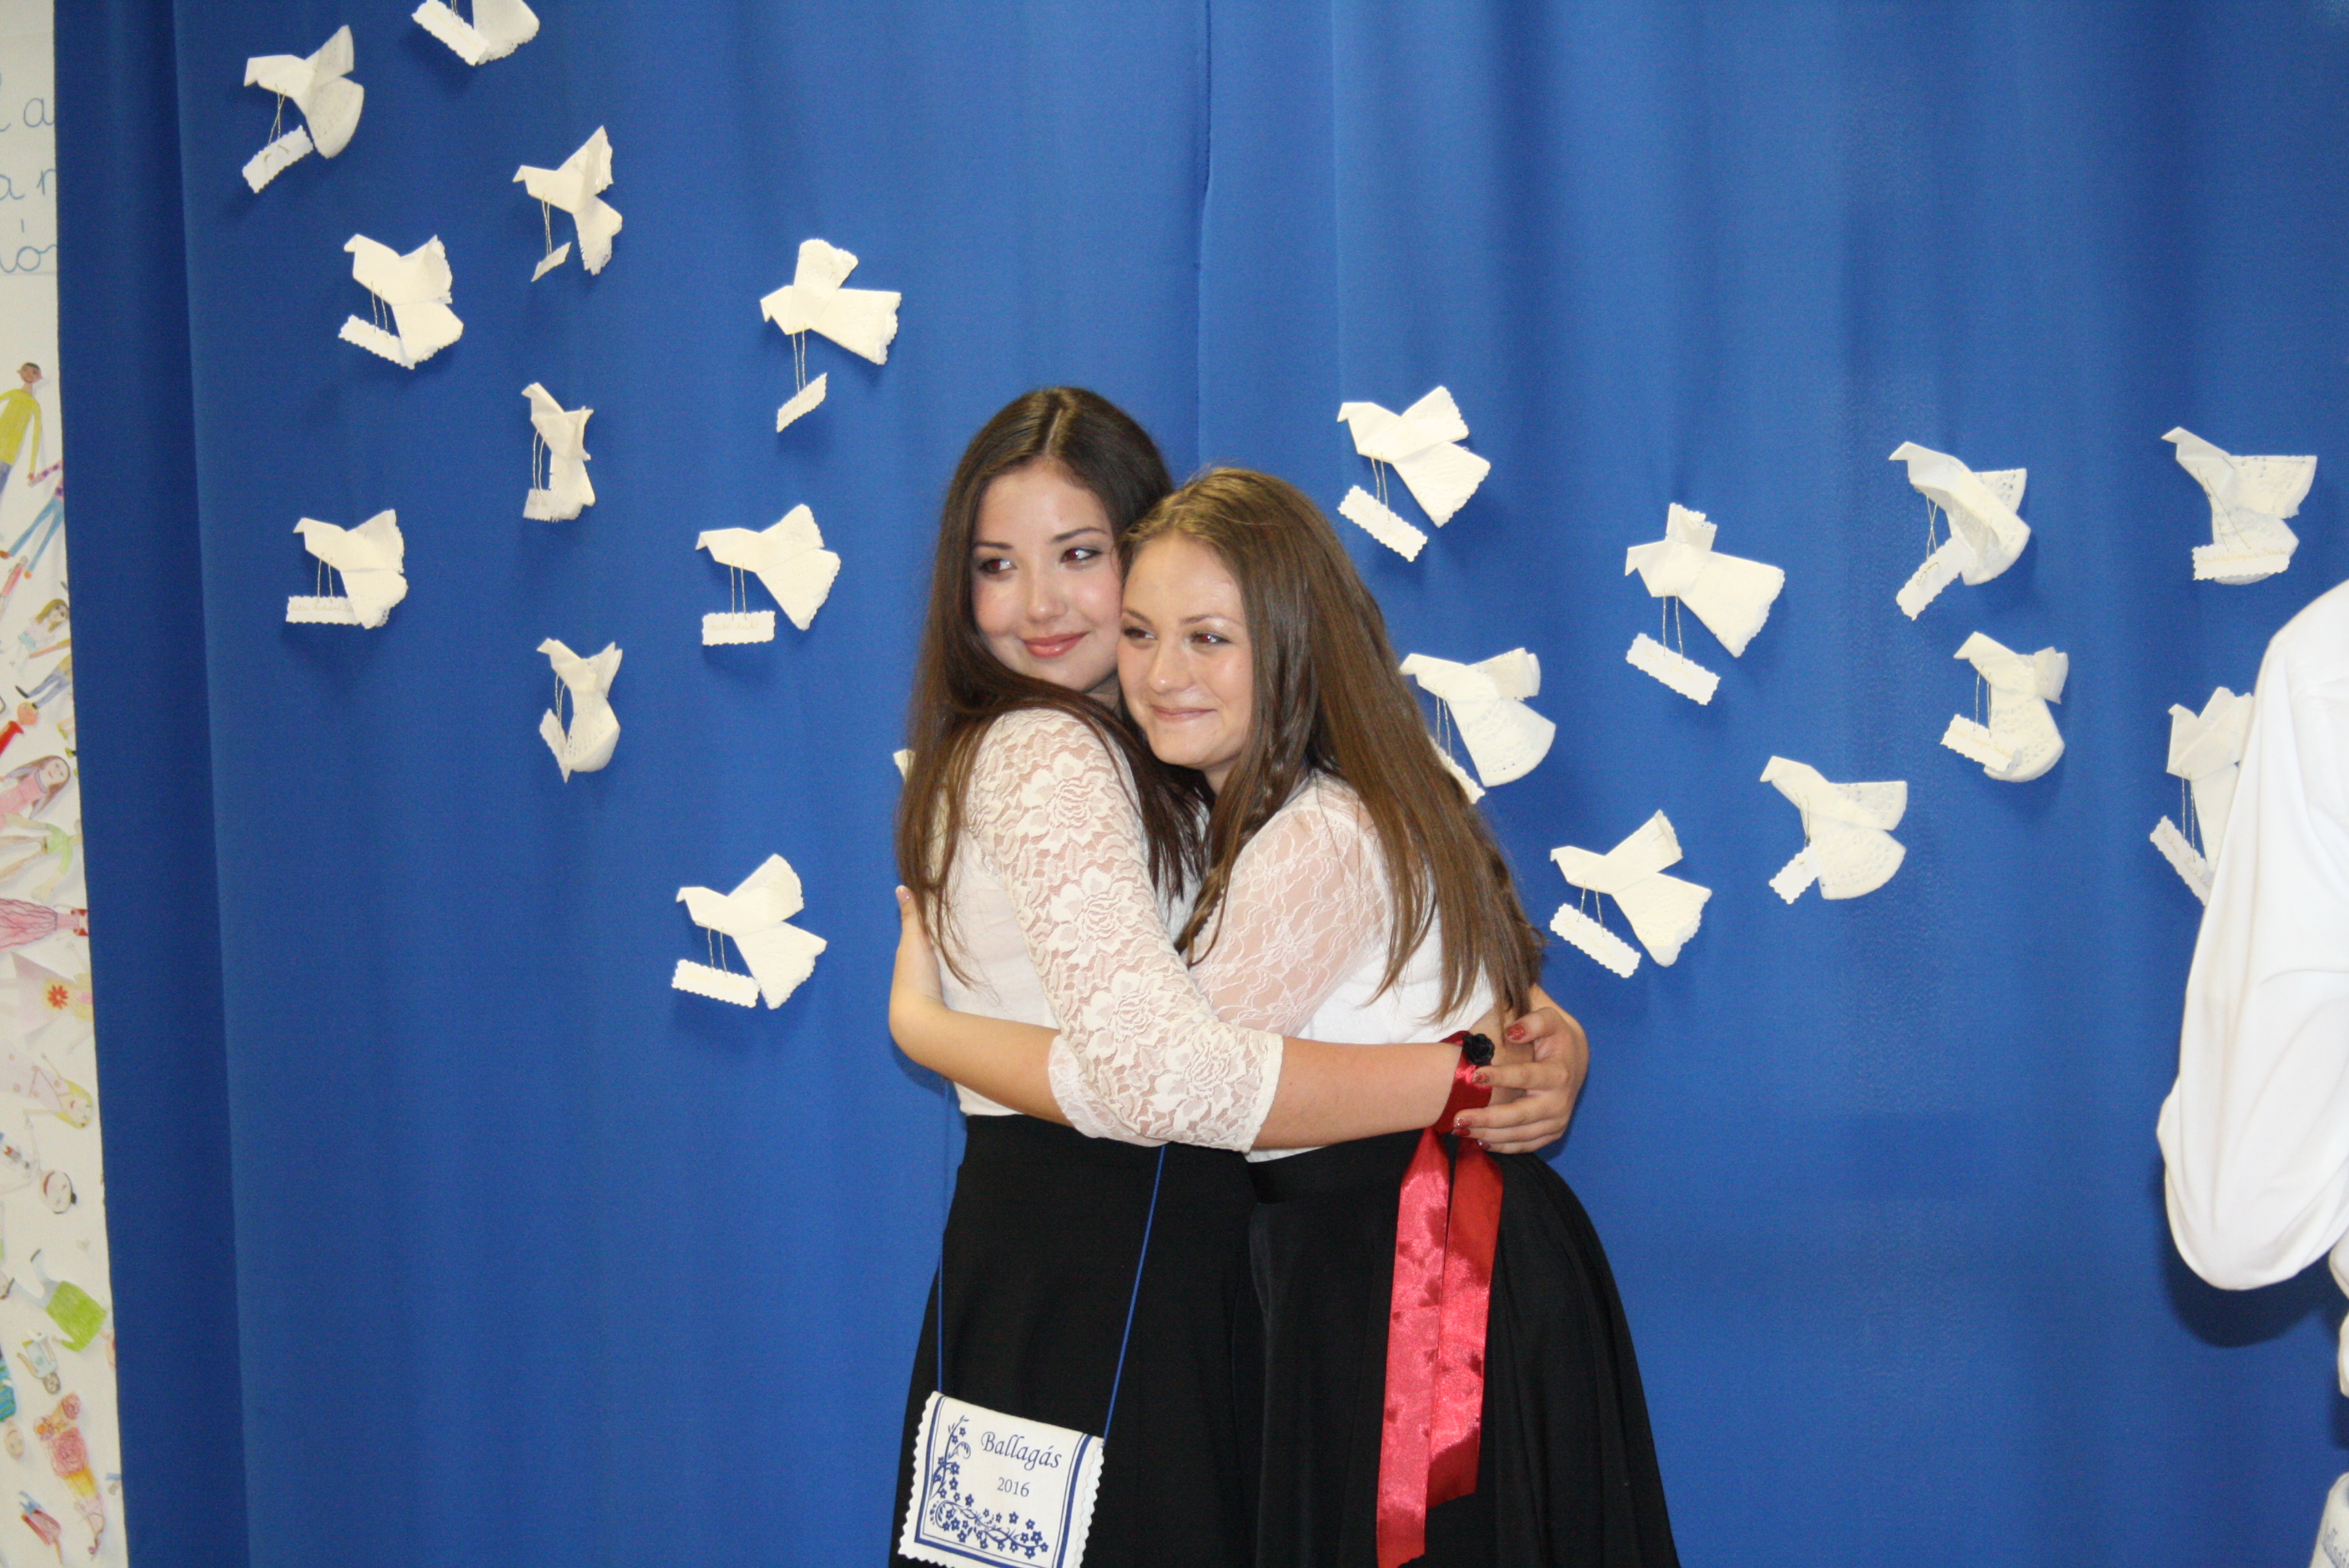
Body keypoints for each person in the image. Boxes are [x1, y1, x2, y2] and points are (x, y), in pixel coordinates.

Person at [893, 470, 1679, 1566]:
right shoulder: (1278, 809)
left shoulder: (1314, 834)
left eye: (1209, 639)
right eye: (1142, 633)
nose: (1163, 672)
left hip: (1419, 1276)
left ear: (1296, 645)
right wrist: (1494, 1054)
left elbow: (1161, 1081)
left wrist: (925, 1028)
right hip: (1378, 1265)